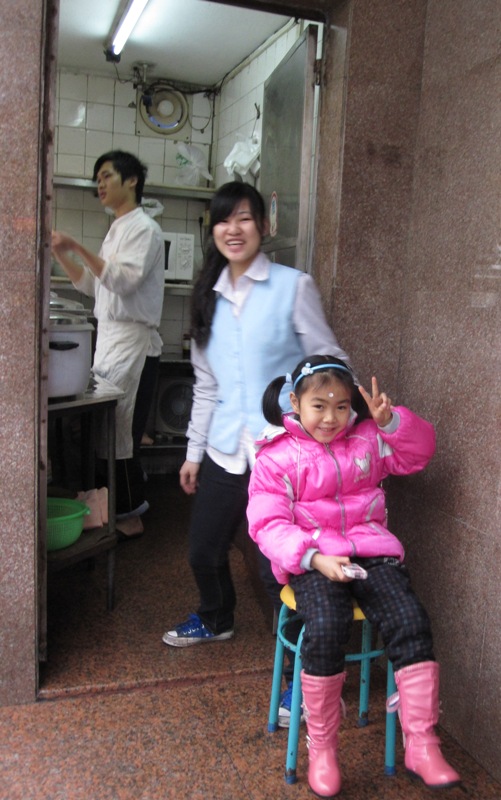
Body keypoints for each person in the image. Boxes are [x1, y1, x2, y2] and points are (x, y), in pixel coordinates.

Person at [161, 182, 353, 719]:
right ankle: (216, 617)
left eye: (245, 218)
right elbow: (206, 386)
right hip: (227, 450)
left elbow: (328, 358)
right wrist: (193, 452)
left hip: (283, 454)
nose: (234, 229)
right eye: (224, 220)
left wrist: (330, 418)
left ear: (263, 227)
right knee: (203, 550)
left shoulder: (293, 287)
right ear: (214, 230)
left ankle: (302, 677)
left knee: (279, 574)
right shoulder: (207, 297)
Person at [246, 354, 461, 797]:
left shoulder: (367, 439)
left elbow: (417, 455)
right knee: (327, 625)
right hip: (312, 559)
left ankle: (422, 743)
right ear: (295, 403)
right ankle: (323, 748)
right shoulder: (277, 456)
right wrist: (313, 557)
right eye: (319, 406)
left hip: (372, 550)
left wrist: (390, 423)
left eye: (341, 406)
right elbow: (268, 524)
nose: (330, 418)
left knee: (410, 618)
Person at [51, 150, 165, 537]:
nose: (99, 184)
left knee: (120, 434)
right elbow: (94, 286)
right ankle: (106, 507)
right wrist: (63, 253)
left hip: (133, 343)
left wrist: (77, 246)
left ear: (131, 180)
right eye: (97, 179)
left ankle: (130, 515)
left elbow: (123, 281)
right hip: (110, 340)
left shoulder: (144, 228)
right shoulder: (116, 229)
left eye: (106, 176)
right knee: (105, 430)